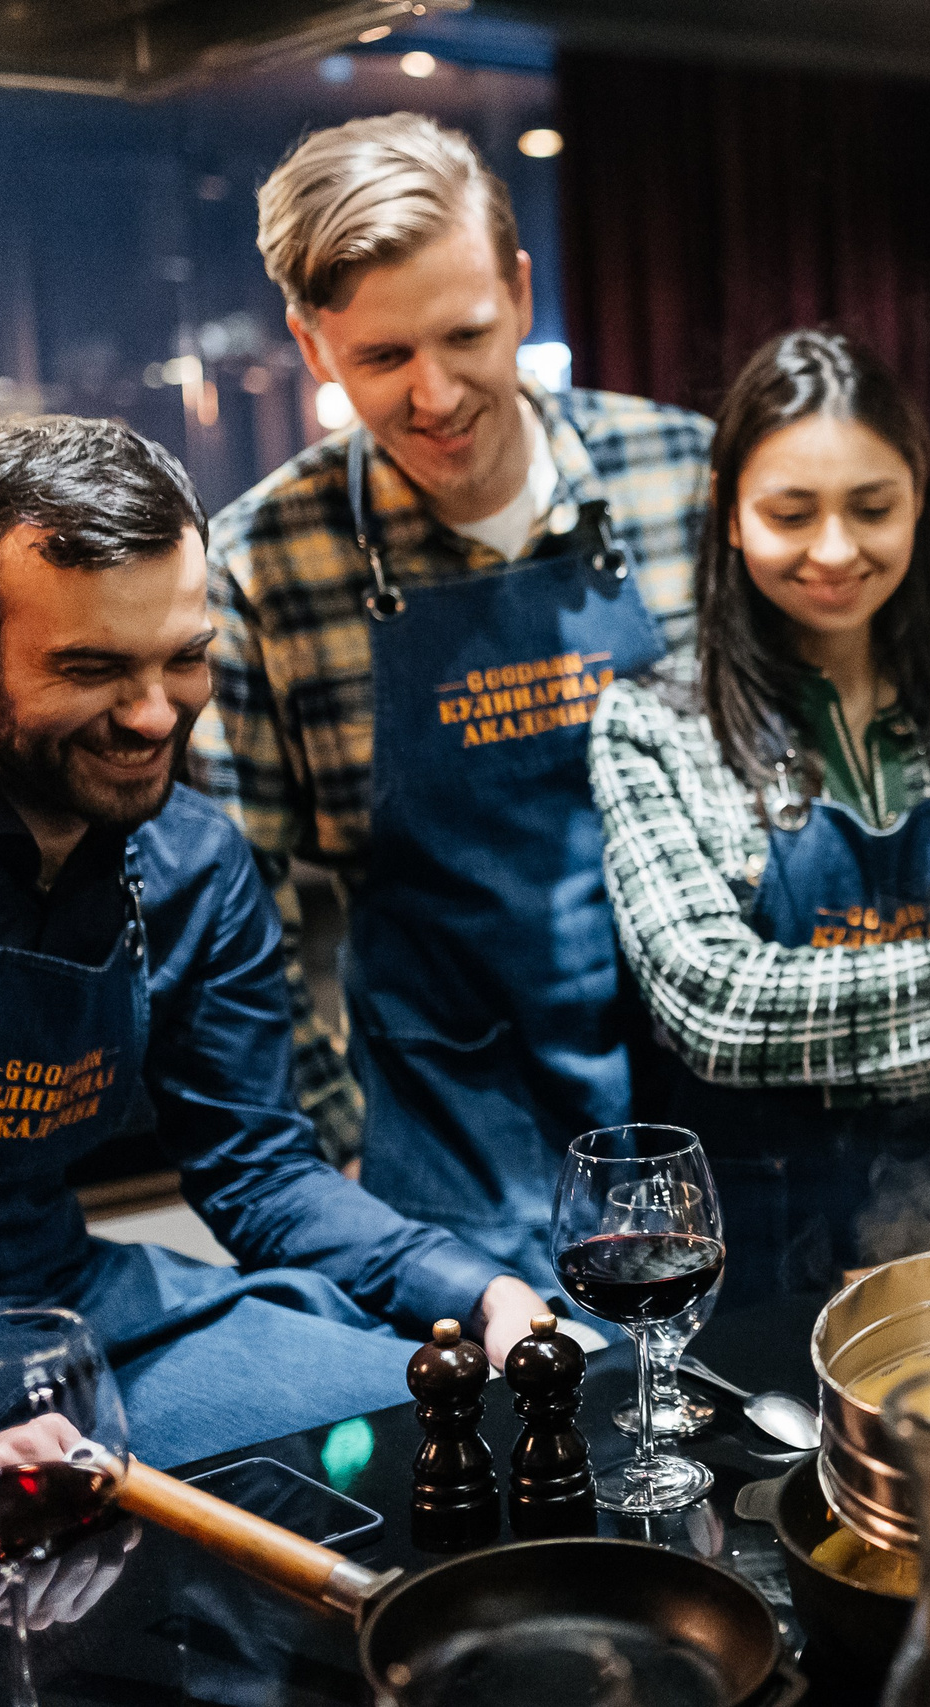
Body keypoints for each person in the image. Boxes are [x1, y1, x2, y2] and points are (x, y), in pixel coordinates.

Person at [0, 419, 551, 1525]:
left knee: (443, 1440)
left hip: (75, 1316)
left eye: (183, 657)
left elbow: (261, 1171)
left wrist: (478, 1286)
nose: (156, 713)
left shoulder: (195, 863)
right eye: (93, 668)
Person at [196, 115, 711, 1287]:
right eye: (383, 357)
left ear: (519, 295)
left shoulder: (683, 475)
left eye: (466, 335)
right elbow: (240, 925)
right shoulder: (261, 565)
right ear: (312, 346)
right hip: (446, 1148)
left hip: (708, 1109)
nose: (435, 395)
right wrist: (335, 1158)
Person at [590, 331, 930, 1308]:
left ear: (920, 499)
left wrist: (809, 1022)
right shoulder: (654, 724)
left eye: (872, 509)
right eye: (791, 514)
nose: (835, 550)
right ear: (731, 513)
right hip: (751, 1242)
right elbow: (715, 1011)